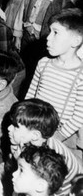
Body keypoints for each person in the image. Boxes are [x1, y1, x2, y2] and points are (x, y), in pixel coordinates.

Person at [26, 9, 83, 158]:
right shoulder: (43, 63)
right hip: (34, 126)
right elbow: (30, 95)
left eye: (56, 33)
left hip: (61, 136)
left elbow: (79, 116)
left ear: (75, 41)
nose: (48, 38)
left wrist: (56, 137)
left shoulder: (80, 74)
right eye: (50, 31)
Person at [8, 99, 83, 196]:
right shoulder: (30, 143)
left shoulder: (49, 157)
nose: (9, 128)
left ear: (35, 135)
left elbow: (50, 187)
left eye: (15, 126)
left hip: (63, 190)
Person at [13, 0, 59, 79]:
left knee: (37, 65)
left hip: (41, 39)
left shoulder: (55, 2)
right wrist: (17, 36)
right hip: (26, 37)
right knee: (23, 62)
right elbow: (19, 17)